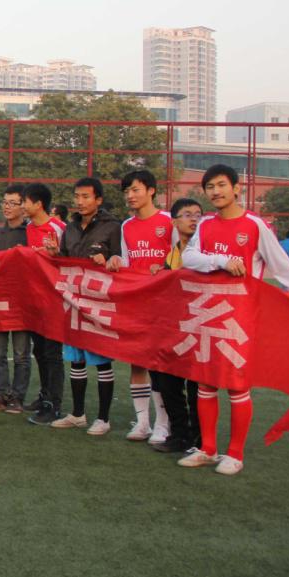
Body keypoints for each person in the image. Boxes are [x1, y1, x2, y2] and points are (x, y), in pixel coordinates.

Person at [181, 164, 289, 475]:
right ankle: (208, 449)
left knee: (237, 385)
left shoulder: (255, 225)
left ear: (237, 188)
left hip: (240, 317)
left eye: (221, 185)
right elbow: (188, 257)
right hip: (207, 313)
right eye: (210, 187)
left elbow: (282, 267)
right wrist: (222, 260)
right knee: (206, 382)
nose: (216, 192)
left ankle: (235, 454)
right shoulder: (205, 225)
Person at [48, 177, 122, 434]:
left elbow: (121, 260)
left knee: (102, 361)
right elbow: (66, 261)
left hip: (100, 303)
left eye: (86, 197)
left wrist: (111, 259)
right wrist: (55, 254)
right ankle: (78, 413)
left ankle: (103, 419)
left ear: (98, 200)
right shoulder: (70, 228)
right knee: (76, 360)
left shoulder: (113, 226)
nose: (80, 201)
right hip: (74, 302)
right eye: (77, 196)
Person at [106, 170, 174, 442]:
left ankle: (163, 424)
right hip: (138, 302)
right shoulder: (126, 226)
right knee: (137, 362)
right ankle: (142, 422)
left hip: (165, 303)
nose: (130, 196)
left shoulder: (168, 221)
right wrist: (115, 261)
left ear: (151, 190)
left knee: (161, 364)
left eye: (135, 190)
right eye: (127, 192)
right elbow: (126, 260)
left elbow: (181, 257)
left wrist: (165, 269)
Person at [154, 197, 205, 454]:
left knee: (197, 386)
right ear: (174, 221)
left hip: (200, 327)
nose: (193, 219)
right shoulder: (172, 254)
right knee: (167, 380)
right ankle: (179, 434)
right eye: (187, 214)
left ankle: (199, 439)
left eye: (198, 214)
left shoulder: (205, 254)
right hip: (174, 328)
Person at [0, 184, 31, 413]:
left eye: (13, 203)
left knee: (21, 354)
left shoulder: (31, 233)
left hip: (22, 302)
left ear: (24, 206)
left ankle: (18, 398)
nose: (7, 207)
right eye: (5, 202)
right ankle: (0, 395)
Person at [22, 182, 67, 425]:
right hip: (34, 299)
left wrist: (57, 254)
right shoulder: (29, 228)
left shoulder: (59, 228)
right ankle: (44, 396)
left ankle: (54, 405)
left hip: (55, 300)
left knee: (52, 353)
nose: (22, 206)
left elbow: (69, 259)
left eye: (25, 201)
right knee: (39, 350)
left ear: (38, 204)